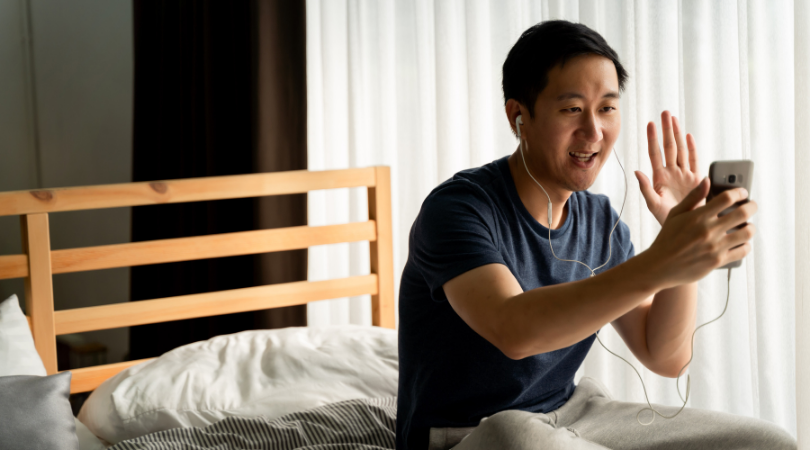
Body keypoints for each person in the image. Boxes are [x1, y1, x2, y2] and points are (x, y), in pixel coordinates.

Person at [396, 20, 797, 450]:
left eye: (606, 108)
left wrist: (680, 242)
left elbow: (664, 356)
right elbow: (515, 330)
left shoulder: (598, 219)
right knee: (514, 434)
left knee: (767, 442)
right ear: (519, 116)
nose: (594, 132)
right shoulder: (457, 209)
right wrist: (664, 259)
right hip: (469, 434)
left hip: (571, 416)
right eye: (572, 109)